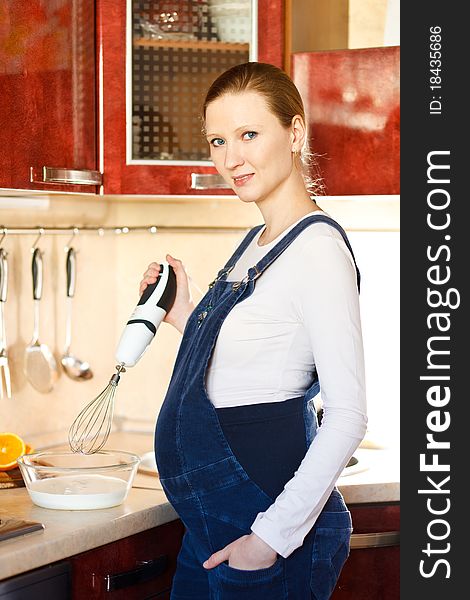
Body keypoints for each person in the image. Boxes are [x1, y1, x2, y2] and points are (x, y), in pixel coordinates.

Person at [140, 62, 367, 599]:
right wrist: (184, 313)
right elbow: (255, 364)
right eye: (218, 140)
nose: (230, 159)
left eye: (248, 135)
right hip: (212, 520)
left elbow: (349, 415)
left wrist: (268, 539)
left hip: (262, 522)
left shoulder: (318, 251)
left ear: (294, 131)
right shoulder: (258, 242)